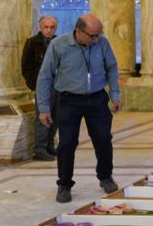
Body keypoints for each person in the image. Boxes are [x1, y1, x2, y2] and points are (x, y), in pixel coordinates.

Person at [36, 14, 122, 204]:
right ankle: (64, 184)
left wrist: (115, 94)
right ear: (78, 31)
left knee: (103, 139)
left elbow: (112, 68)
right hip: (68, 100)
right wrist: (43, 108)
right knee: (67, 143)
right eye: (93, 35)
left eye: (99, 34)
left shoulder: (102, 43)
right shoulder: (59, 45)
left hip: (97, 99)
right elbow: (45, 76)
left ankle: (105, 177)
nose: (96, 39)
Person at [21, 15, 59, 161]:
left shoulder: (58, 42)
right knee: (43, 117)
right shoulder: (32, 43)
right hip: (42, 86)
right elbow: (26, 67)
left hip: (58, 85)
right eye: (46, 27)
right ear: (40, 27)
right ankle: (40, 148)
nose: (49, 30)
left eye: (52, 27)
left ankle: (50, 145)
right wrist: (34, 84)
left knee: (56, 116)